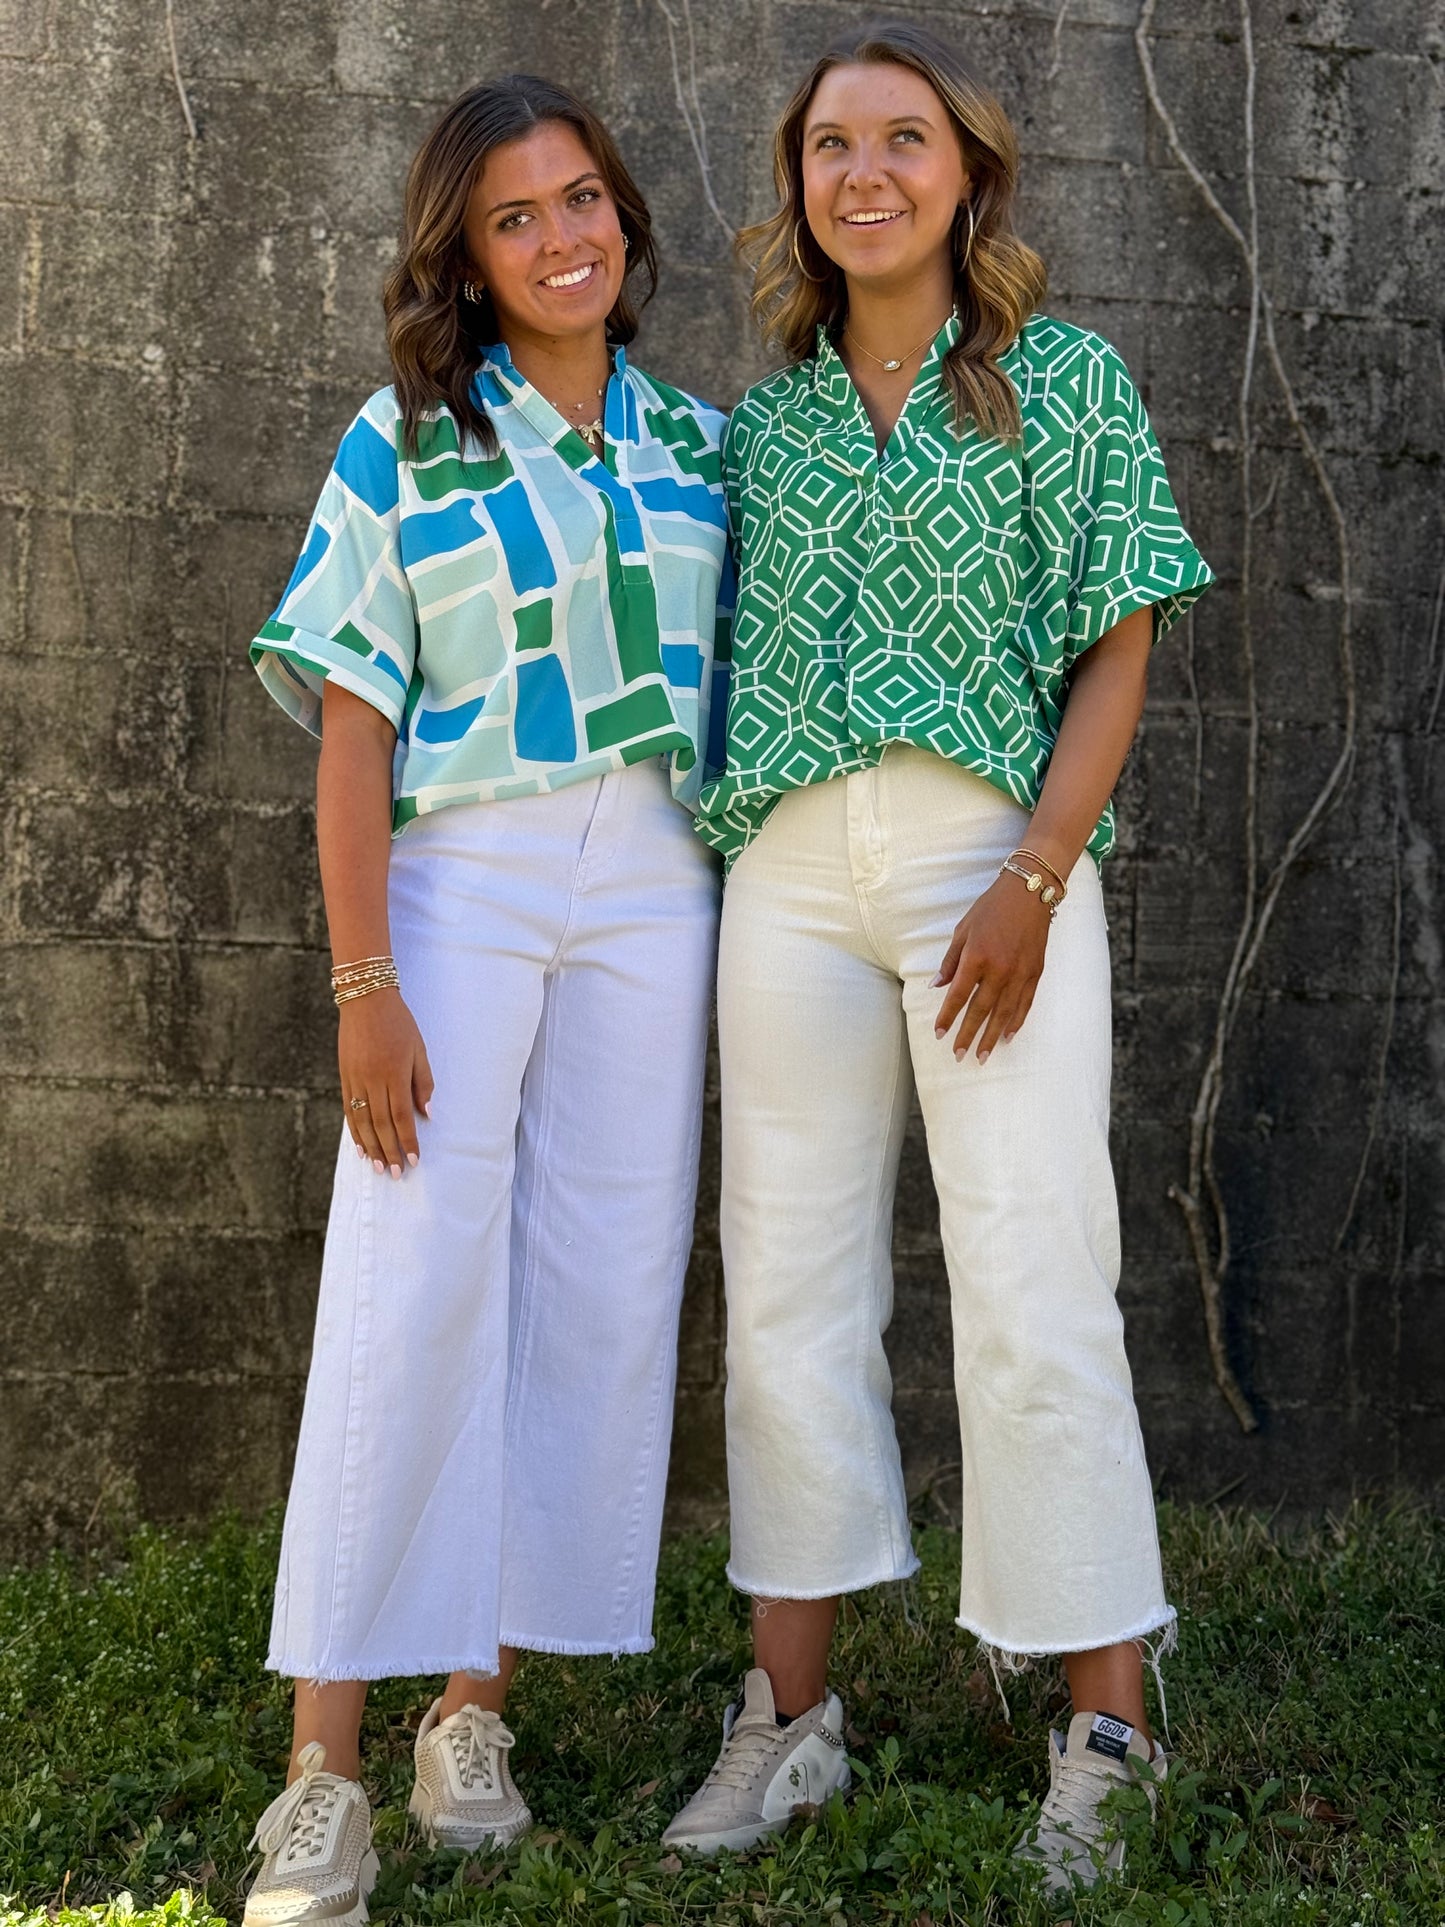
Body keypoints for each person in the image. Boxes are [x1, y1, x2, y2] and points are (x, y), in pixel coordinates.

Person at [663, 19, 1213, 1895]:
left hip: (997, 864)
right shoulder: (769, 425)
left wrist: (1035, 876)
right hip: (793, 880)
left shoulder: (1062, 385)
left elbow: (1118, 641)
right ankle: (787, 1722)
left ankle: (1107, 1725)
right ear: (799, 189)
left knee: (1036, 1281)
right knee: (789, 1292)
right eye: (831, 147)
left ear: (966, 176)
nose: (865, 174)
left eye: (903, 141)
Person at [240, 74, 730, 1927]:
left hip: (656, 881)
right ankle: (322, 1771)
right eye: (513, 216)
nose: (559, 238)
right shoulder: (404, 442)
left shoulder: (697, 446)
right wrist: (364, 981)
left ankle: (473, 1711)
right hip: (463, 875)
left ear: (625, 216)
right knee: (406, 1280)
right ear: (462, 249)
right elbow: (351, 729)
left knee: (588, 1279)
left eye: (581, 198)